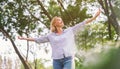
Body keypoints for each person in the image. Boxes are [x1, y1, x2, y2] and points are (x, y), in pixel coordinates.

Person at [18, 9, 101, 69]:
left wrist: (94, 17)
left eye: (61, 20)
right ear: (54, 23)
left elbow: (82, 23)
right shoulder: (50, 36)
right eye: (59, 20)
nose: (61, 21)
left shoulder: (69, 31)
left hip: (68, 59)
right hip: (56, 61)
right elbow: (37, 39)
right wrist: (24, 38)